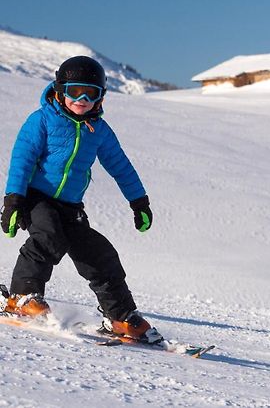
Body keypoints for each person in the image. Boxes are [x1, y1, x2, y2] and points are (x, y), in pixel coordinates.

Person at [0, 56, 163, 343]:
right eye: (75, 91)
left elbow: (120, 166)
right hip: (37, 198)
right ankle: (22, 297)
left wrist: (139, 201)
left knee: (100, 254)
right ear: (60, 89)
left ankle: (120, 317)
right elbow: (22, 161)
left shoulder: (98, 130)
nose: (83, 99)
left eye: (92, 93)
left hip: (71, 206)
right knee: (48, 237)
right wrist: (13, 200)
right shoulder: (42, 120)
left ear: (101, 96)